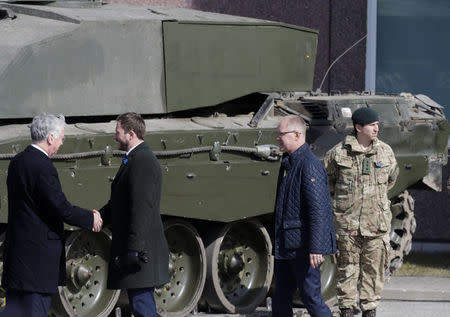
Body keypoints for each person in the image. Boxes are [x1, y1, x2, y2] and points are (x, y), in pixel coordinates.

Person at [1, 113, 103, 317]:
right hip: (37, 264)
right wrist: (90, 218)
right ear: (50, 138)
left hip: (18, 260)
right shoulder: (43, 167)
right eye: (61, 138)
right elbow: (61, 207)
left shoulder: (17, 162)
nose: (62, 143)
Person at [324, 107, 399, 317]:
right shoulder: (338, 153)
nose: (377, 128)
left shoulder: (386, 152)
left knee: (373, 273)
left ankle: (369, 311)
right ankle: (347, 310)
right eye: (372, 125)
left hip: (376, 226)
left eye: (377, 124)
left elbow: (391, 180)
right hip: (348, 227)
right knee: (347, 272)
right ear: (358, 127)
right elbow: (326, 182)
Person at [99, 112, 169, 317]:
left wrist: (135, 250)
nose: (114, 137)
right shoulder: (134, 159)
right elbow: (120, 204)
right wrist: (97, 216)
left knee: (142, 307)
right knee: (139, 305)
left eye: (117, 132)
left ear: (130, 134)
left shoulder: (143, 161)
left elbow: (142, 208)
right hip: (137, 249)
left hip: (140, 252)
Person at [273, 115, 337, 317]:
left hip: (303, 248)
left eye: (281, 134)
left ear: (297, 134)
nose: (278, 139)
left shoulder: (309, 165)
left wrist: (316, 247)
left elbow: (318, 210)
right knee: (281, 298)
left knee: (311, 298)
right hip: (287, 246)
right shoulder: (289, 163)